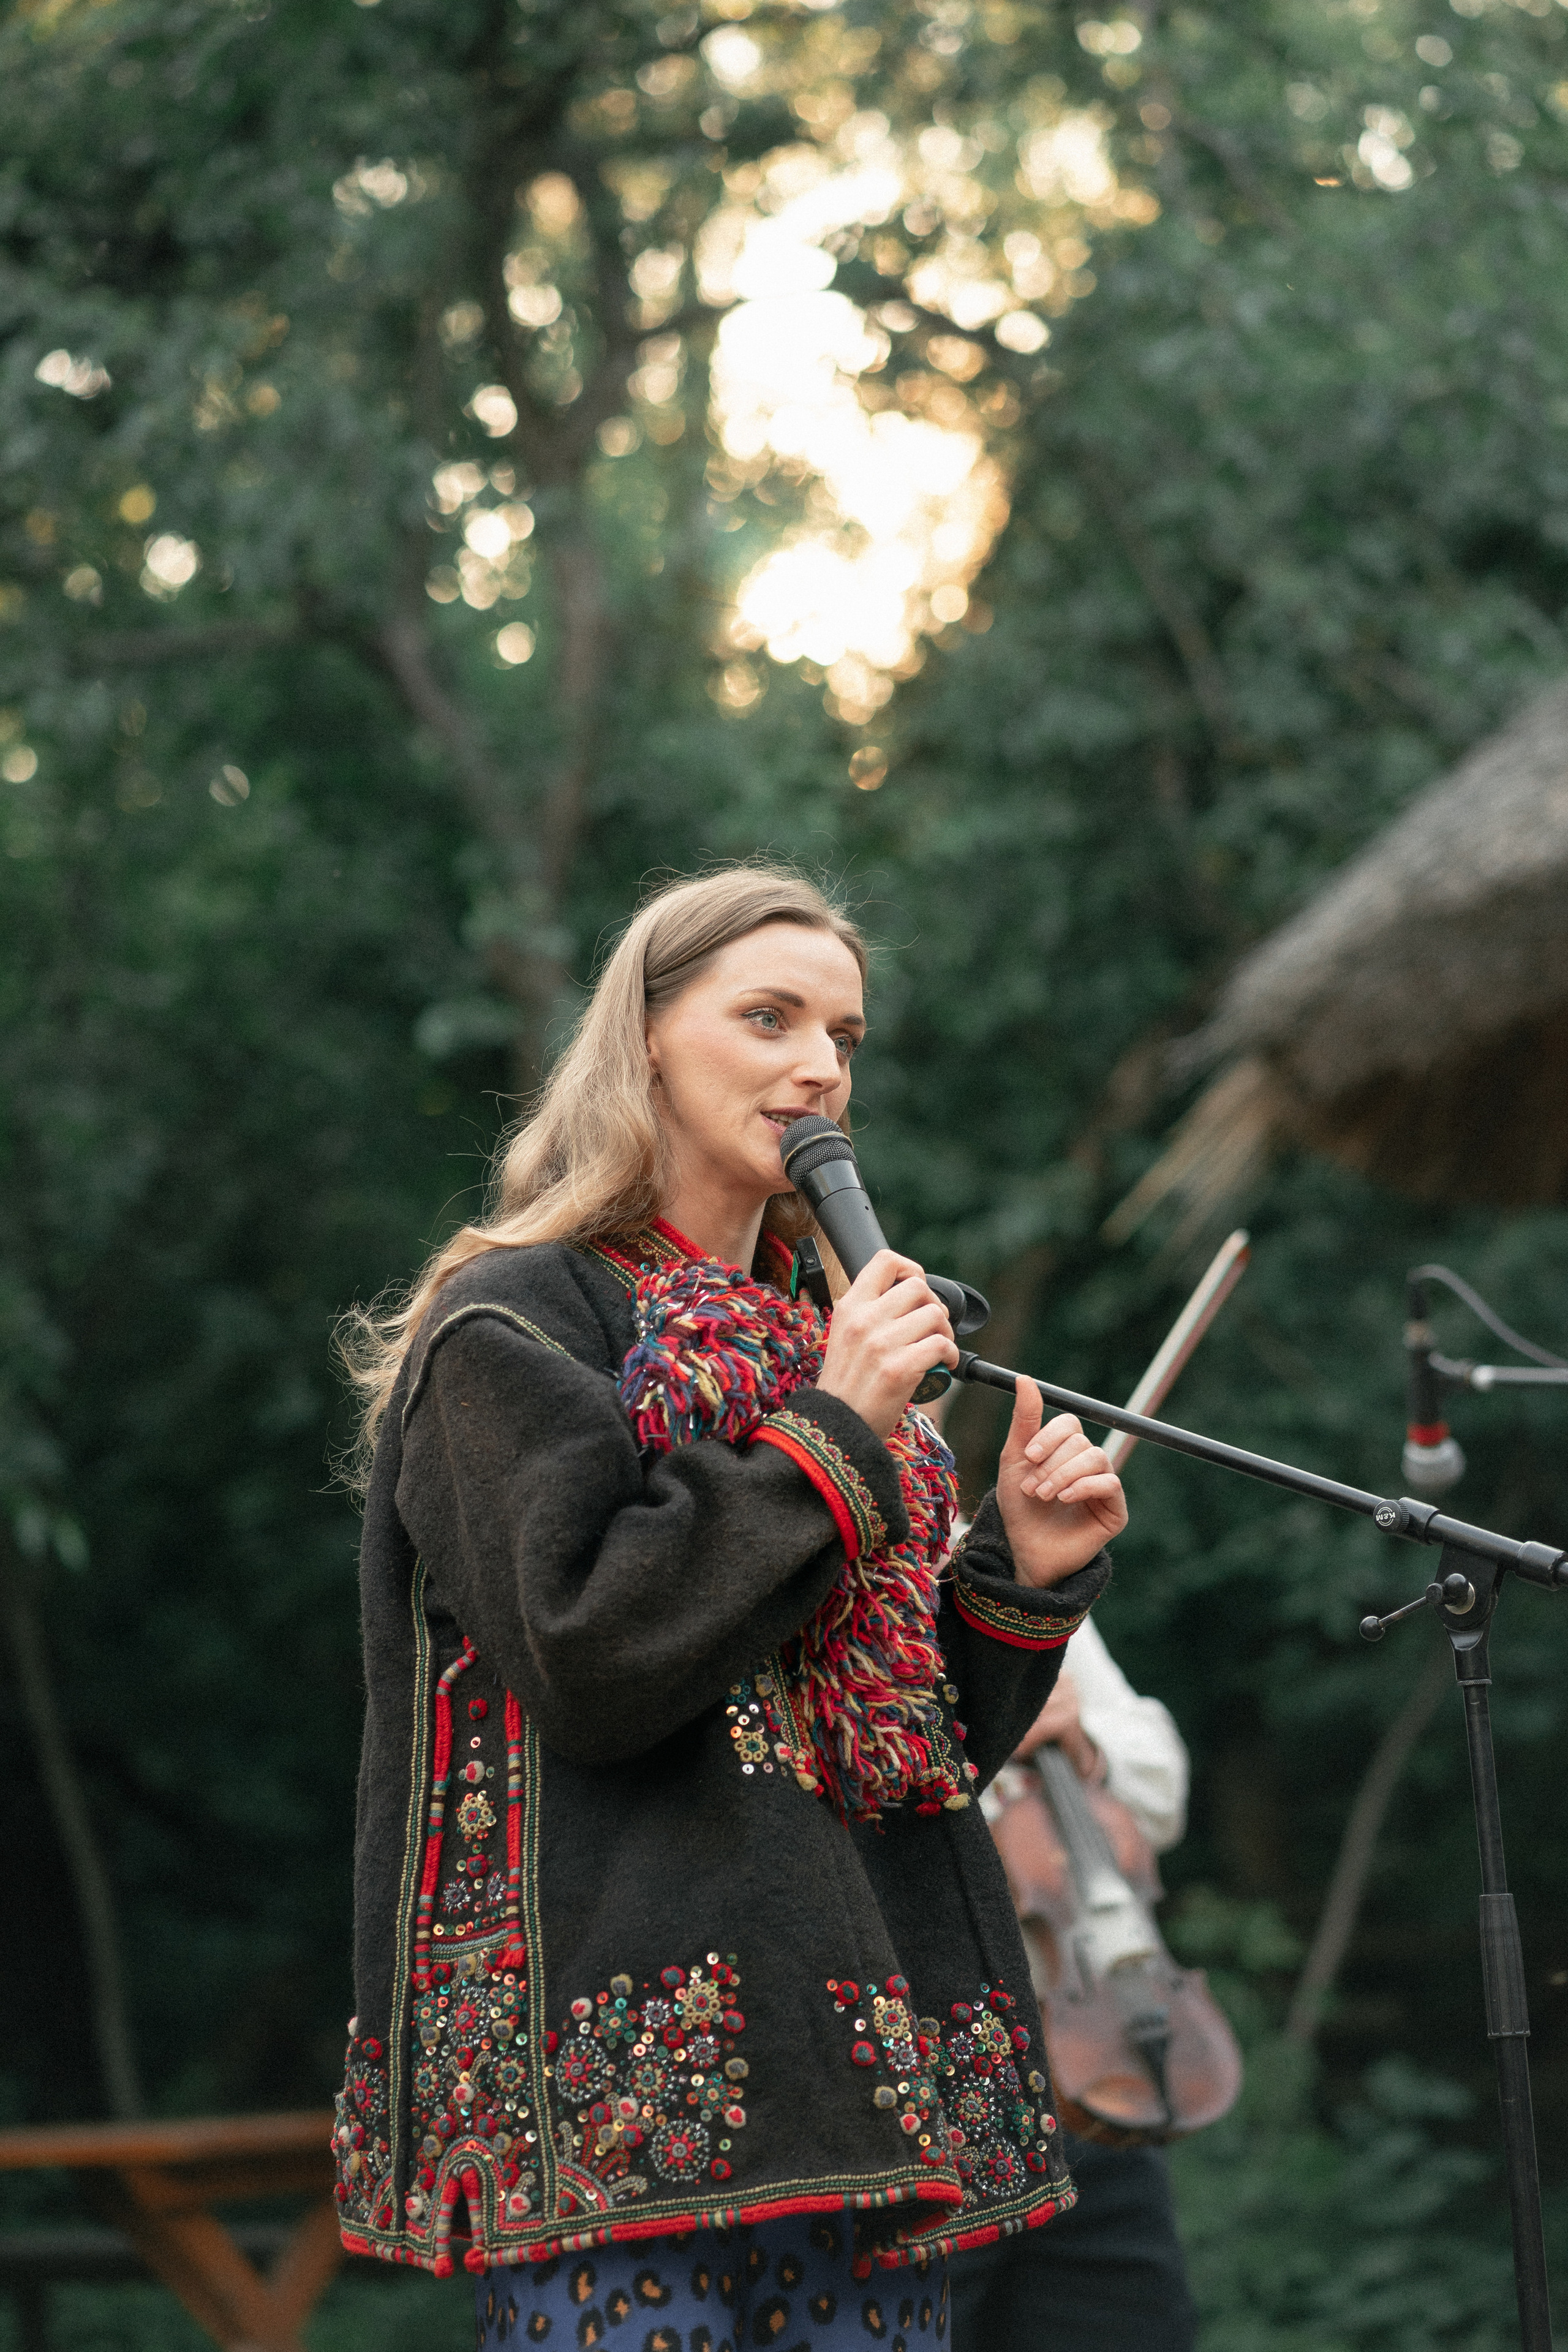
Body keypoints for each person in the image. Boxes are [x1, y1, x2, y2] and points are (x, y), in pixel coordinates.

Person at [333, 865, 1128, 2350]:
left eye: (843, 1033)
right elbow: (595, 1652)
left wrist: (1018, 1568)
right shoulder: (511, 1318)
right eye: (766, 1017)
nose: (818, 1065)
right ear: (642, 1040)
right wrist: (831, 1422)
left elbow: (911, 1744)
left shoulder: (828, 1356)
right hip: (625, 2081)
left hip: (855, 2058)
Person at [949, 1624, 1199, 2350]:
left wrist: (1082, 1742)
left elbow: (1159, 1784)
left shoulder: (993, 1555)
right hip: (907, 2098)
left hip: (1085, 2071)